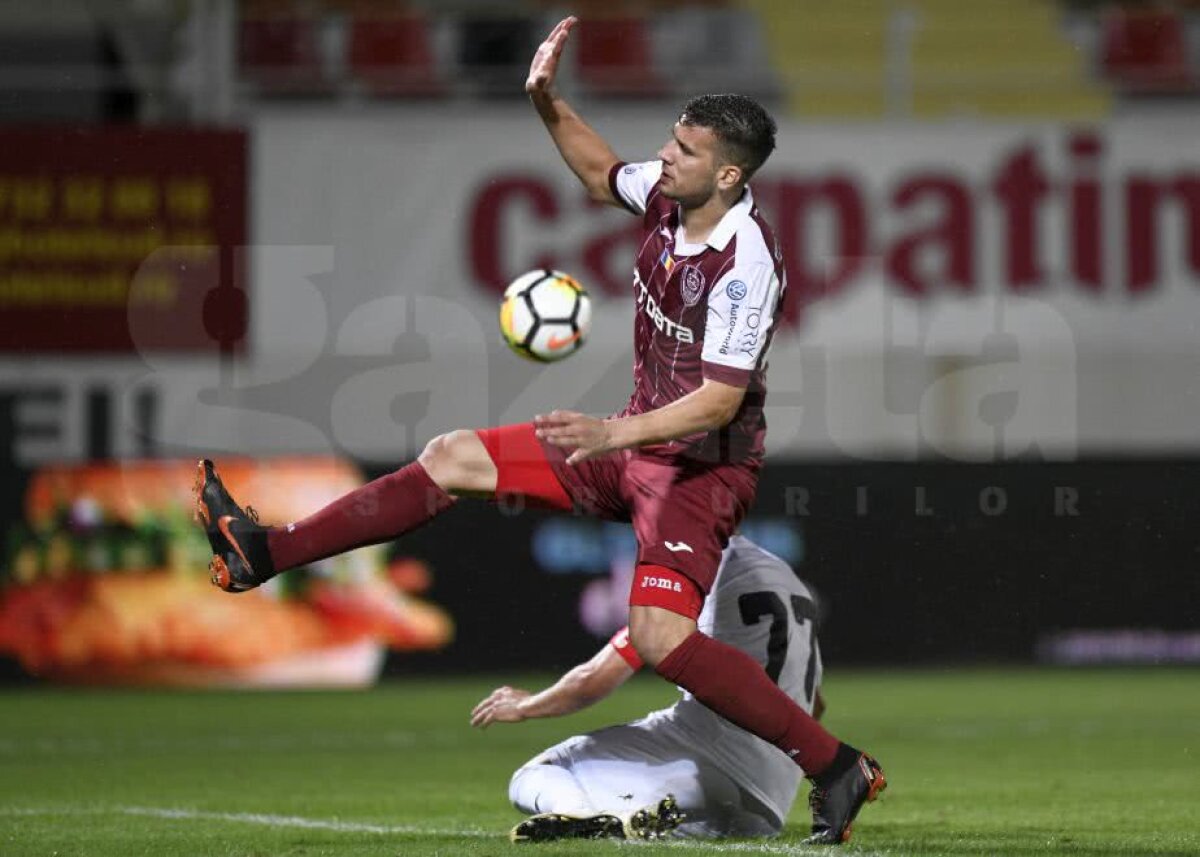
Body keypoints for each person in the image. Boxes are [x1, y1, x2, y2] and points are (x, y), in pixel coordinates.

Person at [193, 15, 885, 845]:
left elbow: (718, 403)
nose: (665, 158)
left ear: (730, 173)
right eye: (670, 142)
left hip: (698, 471)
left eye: (685, 151)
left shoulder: (745, 264)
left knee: (664, 638)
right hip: (628, 442)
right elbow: (600, 172)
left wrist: (611, 435)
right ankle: (265, 551)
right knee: (452, 457)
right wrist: (546, 100)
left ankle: (837, 765)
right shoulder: (670, 198)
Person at [472, 534, 827, 843]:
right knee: (651, 821)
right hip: (770, 805)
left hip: (709, 765)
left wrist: (526, 706)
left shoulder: (693, 568)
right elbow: (816, 706)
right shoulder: (783, 573)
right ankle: (635, 812)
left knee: (538, 774)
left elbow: (595, 678)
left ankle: (578, 814)